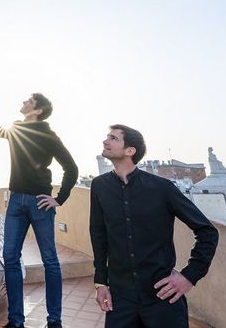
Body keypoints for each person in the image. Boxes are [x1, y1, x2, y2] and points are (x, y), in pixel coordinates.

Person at [90, 124, 218, 328]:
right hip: (120, 299)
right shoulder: (99, 186)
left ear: (130, 150)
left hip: (162, 295)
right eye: (107, 137)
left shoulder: (162, 188)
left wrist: (189, 276)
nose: (106, 141)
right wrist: (100, 283)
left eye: (113, 138)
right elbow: (98, 236)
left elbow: (207, 232)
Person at [0, 93, 78, 328]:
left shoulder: (49, 135)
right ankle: (16, 322)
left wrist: (59, 199)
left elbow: (71, 168)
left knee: (50, 261)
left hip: (39, 202)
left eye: (29, 101)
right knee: (11, 258)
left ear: (38, 110)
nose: (23, 102)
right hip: (15, 201)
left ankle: (54, 321)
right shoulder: (16, 128)